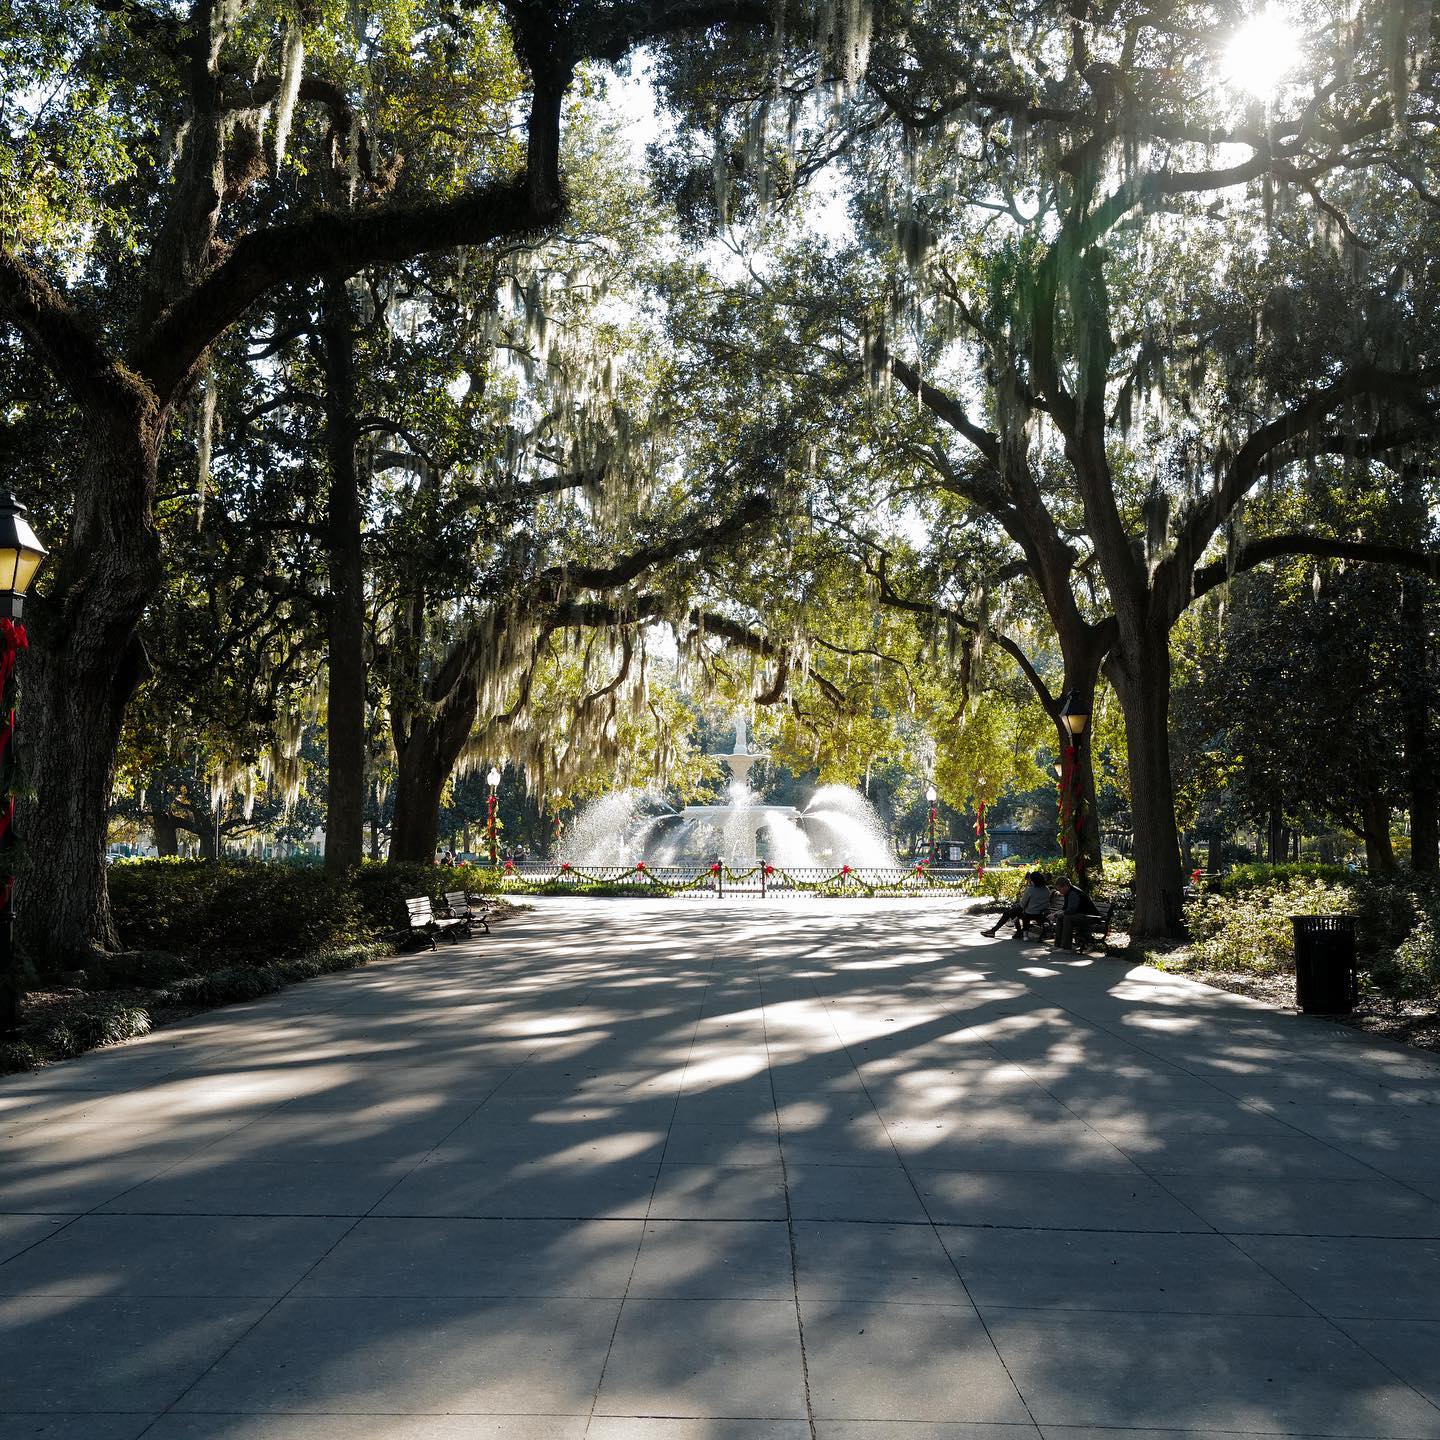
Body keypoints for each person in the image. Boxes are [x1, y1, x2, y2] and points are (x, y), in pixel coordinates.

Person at [983, 872, 1052, 937]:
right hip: (1041, 914)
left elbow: (1022, 905)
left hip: (1029, 913)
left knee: (1008, 913)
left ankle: (995, 931)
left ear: (1033, 881)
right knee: (1013, 911)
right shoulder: (1046, 889)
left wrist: (1019, 905)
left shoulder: (1030, 890)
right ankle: (1016, 932)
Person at [1054, 876, 1102, 950]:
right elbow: (1065, 908)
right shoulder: (1068, 892)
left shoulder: (1073, 893)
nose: (1059, 891)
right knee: (1060, 917)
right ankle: (1058, 945)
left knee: (1067, 917)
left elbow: (1070, 911)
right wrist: (1055, 914)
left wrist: (1056, 914)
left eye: (1060, 889)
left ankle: (1066, 947)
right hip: (1081, 915)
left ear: (1066, 886)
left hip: (1091, 917)